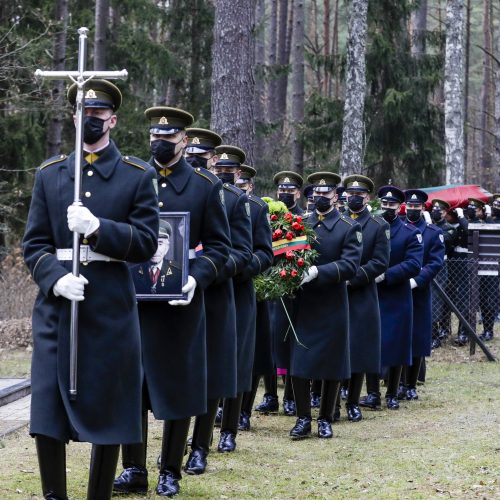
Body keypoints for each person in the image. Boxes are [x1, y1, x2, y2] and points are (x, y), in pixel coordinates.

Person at [23, 80, 159, 500]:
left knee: (112, 408)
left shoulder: (136, 175)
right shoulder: (50, 174)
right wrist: (54, 277)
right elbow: (35, 244)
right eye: (84, 113)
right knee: (47, 407)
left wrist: (100, 229)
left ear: (112, 120)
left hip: (110, 310)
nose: (90, 121)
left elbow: (147, 243)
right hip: (57, 308)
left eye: (98, 115)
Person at [113, 107, 231, 498]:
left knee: (177, 387)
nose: (159, 144)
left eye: (168, 138)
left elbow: (219, 248)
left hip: (179, 306)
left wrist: (196, 278)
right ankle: (133, 468)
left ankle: (170, 470)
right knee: (133, 386)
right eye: (154, 137)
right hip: (133, 302)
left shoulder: (204, 186)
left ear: (184, 140)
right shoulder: (131, 176)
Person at [183, 130, 242, 475]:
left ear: (211, 159)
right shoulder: (161, 187)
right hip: (170, 293)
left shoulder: (226, 195)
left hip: (214, 294)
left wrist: (210, 268)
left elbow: (243, 253)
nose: (193, 160)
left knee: (207, 376)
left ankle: (199, 447)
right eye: (188, 152)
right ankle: (171, 447)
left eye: (199, 155)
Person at [288, 172, 362, 439]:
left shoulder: (347, 226)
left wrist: (319, 272)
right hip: (304, 303)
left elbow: (351, 265)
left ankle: (326, 418)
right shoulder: (301, 223)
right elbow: (288, 254)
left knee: (331, 364)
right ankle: (303, 418)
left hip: (332, 303)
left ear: (335, 196)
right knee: (299, 363)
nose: (320, 198)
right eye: (316, 193)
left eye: (326, 193)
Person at [360, 186, 423, 411]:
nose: (387, 208)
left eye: (392, 205)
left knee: (396, 344)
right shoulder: (371, 227)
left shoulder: (409, 232)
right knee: (371, 344)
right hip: (372, 294)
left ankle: (393, 393)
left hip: (396, 295)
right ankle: (373, 393)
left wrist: (387, 275)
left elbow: (414, 264)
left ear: (399, 206)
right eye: (384, 204)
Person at [254, 171, 305, 416]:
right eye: (281, 190)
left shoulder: (302, 219)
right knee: (269, 342)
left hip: (291, 289)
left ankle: (291, 397)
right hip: (268, 287)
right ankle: (270, 394)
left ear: (298, 192)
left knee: (287, 342)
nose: (285, 193)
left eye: (290, 190)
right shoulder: (268, 216)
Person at [342, 175, 390, 422]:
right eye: (350, 193)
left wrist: (353, 277)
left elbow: (380, 261)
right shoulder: (339, 220)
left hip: (361, 293)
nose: (354, 198)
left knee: (358, 349)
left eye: (359, 194)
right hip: (335, 294)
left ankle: (352, 401)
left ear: (367, 197)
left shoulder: (377, 225)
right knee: (336, 346)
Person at [236, 165, 274, 432]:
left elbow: (265, 253)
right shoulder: (211, 198)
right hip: (211, 286)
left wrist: (242, 269)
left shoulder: (258, 209)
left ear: (250, 186)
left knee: (249, 355)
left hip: (246, 288)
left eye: (243, 184)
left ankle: (242, 411)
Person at [400, 190, 445, 400]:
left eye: (416, 207)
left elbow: (436, 262)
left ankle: (411, 384)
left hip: (419, 291)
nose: (412, 209)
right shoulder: (399, 228)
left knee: (417, 337)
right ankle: (397, 381)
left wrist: (417, 280)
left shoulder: (432, 232)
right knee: (398, 335)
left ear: (423, 208)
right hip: (398, 290)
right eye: (410, 206)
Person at [130, 219, 182, 295]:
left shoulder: (179, 272)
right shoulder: (132, 273)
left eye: (160, 244)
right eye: (150, 243)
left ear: (166, 248)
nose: (155, 250)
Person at [429, 199, 456, 348]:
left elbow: (442, 241)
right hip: (427, 264)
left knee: (438, 300)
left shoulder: (449, 228)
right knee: (431, 299)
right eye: (433, 209)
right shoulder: (429, 226)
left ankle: (438, 334)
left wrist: (429, 228)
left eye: (438, 210)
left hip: (442, 266)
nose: (435, 212)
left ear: (445, 212)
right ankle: (434, 332)